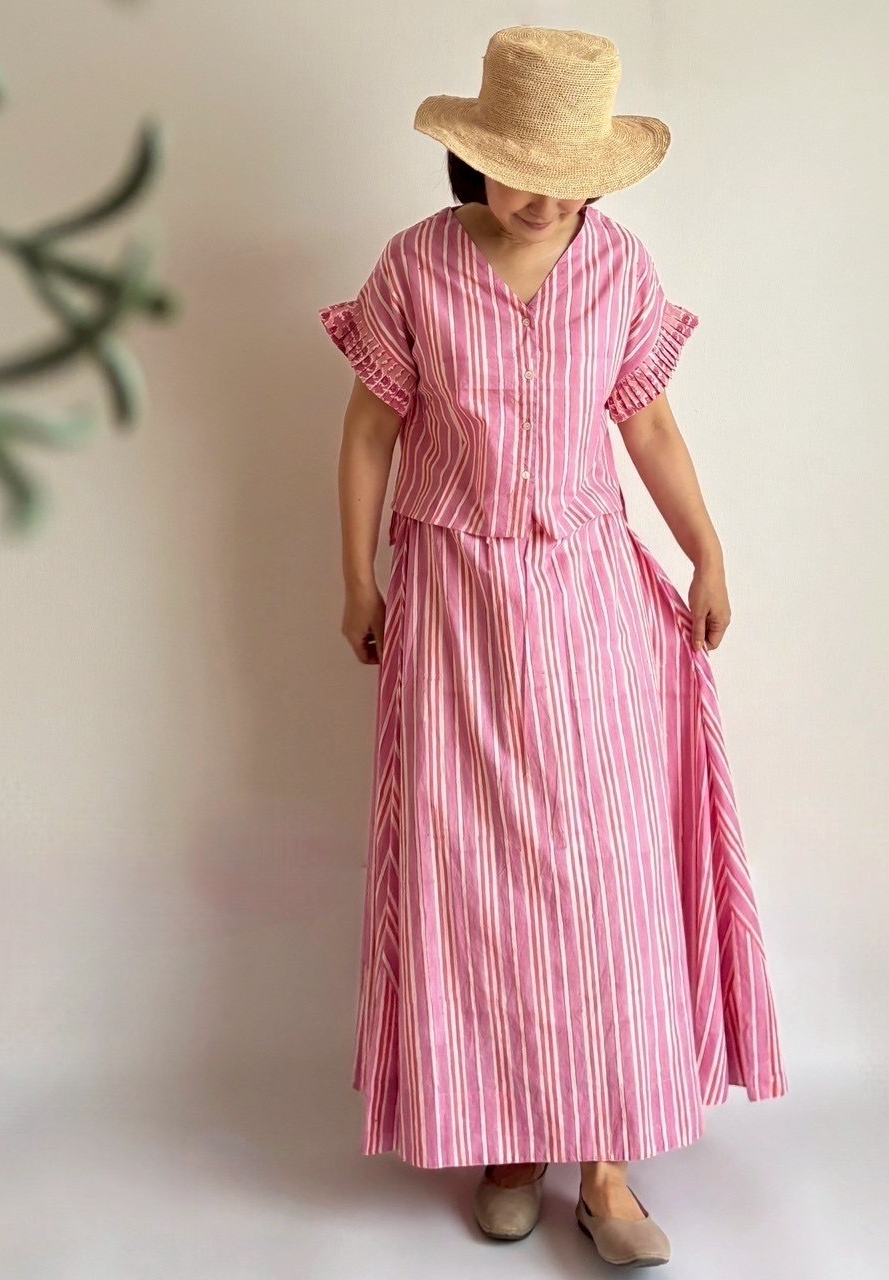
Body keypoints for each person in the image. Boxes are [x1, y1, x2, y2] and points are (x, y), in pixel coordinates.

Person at [318, 25, 787, 1268]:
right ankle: (508, 1141)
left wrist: (706, 551)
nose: (544, 200)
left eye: (570, 179)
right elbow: (368, 431)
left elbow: (650, 428)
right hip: (454, 604)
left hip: (587, 601)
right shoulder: (414, 268)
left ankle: (608, 1164)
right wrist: (355, 577)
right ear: (475, 156)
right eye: (523, 172)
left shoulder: (619, 268)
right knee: (473, 873)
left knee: (605, 873)